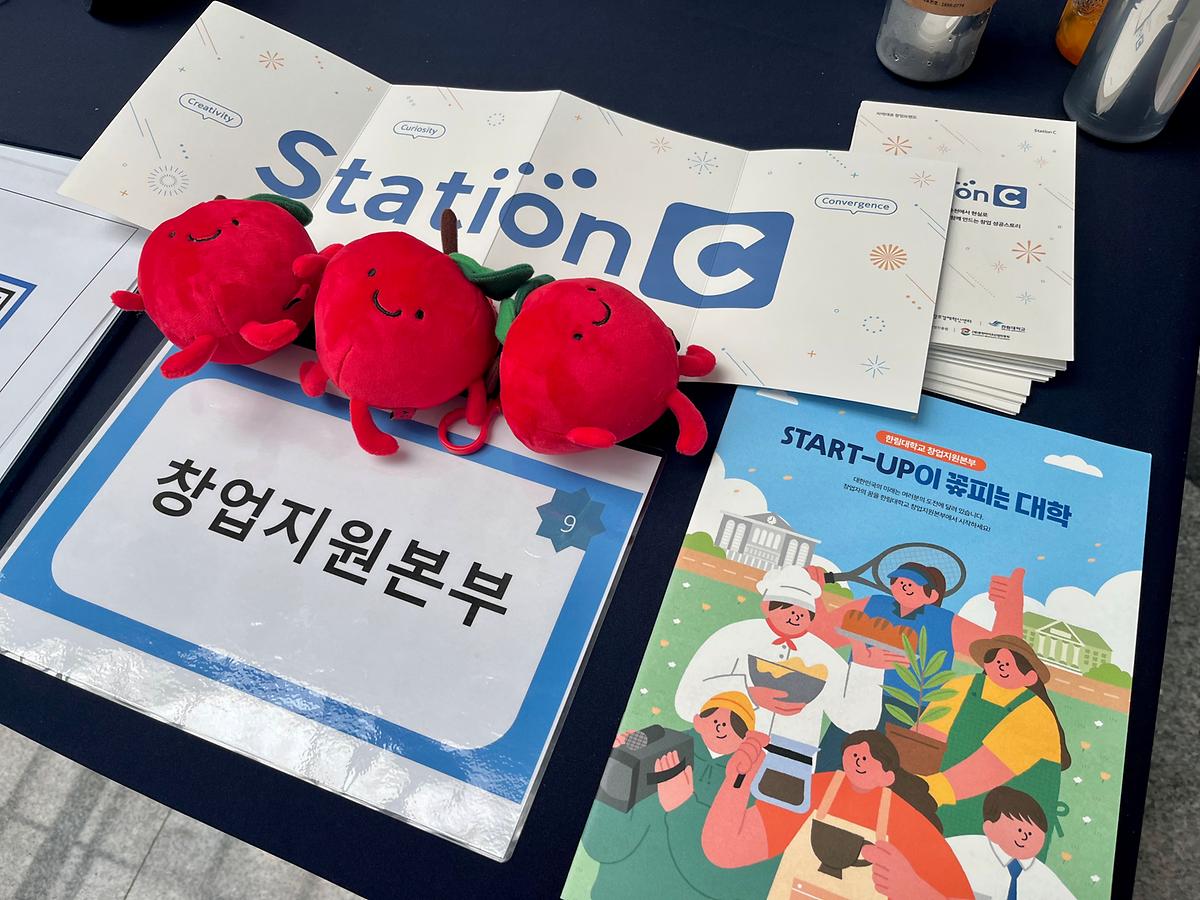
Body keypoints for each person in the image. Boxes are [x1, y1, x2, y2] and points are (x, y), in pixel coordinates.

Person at [702, 729, 973, 899]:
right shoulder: (812, 792)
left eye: (871, 756)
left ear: (888, 776)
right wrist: (738, 781)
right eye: (855, 753)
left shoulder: (907, 823)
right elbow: (725, 849)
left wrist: (913, 889)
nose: (860, 760)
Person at [809, 560, 1027, 771]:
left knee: (883, 776)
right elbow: (823, 633)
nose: (904, 585)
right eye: (898, 580)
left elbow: (1003, 651)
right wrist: (815, 593)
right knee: (828, 765)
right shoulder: (872, 604)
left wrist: (1010, 607)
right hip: (858, 698)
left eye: (913, 582)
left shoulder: (944, 621)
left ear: (932, 595)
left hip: (908, 710)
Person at [675, 565, 889, 757]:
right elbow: (684, 702)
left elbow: (856, 723)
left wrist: (867, 670)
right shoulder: (733, 636)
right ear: (766, 606)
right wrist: (748, 693)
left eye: (805, 611)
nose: (796, 615)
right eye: (785, 605)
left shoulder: (824, 656)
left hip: (788, 765)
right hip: (722, 751)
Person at [581, 691, 777, 899]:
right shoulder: (659, 747)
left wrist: (682, 807)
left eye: (736, 724)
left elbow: (746, 887)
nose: (722, 727)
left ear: (747, 737)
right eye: (715, 718)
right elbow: (600, 845)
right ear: (698, 721)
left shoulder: (756, 783)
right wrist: (618, 767)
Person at [917, 636, 1071, 856]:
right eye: (995, 658)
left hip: (1011, 819)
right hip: (943, 801)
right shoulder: (962, 686)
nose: (1001, 664)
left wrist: (926, 789)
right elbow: (927, 737)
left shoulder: (1037, 715)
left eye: (1011, 662)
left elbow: (990, 767)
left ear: (1030, 676)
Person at [948, 787, 1073, 899]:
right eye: (1019, 830)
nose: (1024, 837)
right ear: (989, 828)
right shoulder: (966, 848)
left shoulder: (1044, 877)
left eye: (1030, 833)